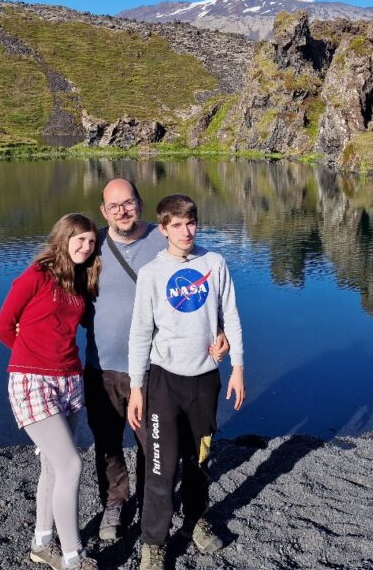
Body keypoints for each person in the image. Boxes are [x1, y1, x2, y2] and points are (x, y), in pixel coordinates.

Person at [81, 178, 228, 542]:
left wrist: (219, 329)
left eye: (128, 203)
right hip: (101, 366)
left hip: (150, 370)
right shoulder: (91, 245)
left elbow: (203, 284)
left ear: (140, 204)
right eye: (114, 206)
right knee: (107, 441)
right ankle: (114, 504)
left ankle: (152, 504)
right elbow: (57, 280)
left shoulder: (164, 237)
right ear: (103, 211)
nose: (122, 211)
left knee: (153, 443)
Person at [128, 194, 245, 570]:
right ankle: (154, 544)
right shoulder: (151, 273)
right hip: (163, 382)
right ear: (162, 229)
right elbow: (140, 333)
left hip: (206, 380)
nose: (185, 231)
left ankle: (196, 521)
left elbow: (231, 314)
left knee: (199, 461)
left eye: (190, 223)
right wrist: (135, 387)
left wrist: (238, 366)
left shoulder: (215, 262)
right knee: (160, 468)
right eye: (176, 225)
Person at [0, 213, 100, 570]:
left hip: (69, 379)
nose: (85, 247)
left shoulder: (79, 278)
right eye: (79, 239)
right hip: (32, 380)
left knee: (53, 467)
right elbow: (3, 326)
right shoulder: (38, 275)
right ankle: (73, 557)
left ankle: (42, 543)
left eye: (90, 241)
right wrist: (31, 356)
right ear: (63, 237)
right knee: (71, 465)